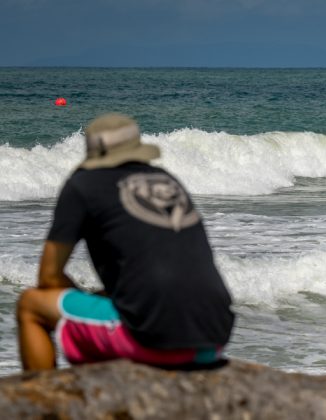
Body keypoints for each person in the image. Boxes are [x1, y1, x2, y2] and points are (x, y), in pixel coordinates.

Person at [16, 113, 235, 371]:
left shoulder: (83, 184)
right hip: (213, 340)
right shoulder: (166, 180)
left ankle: (43, 405)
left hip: (152, 340)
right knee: (109, 299)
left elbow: (48, 276)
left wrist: (81, 294)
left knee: (30, 304)